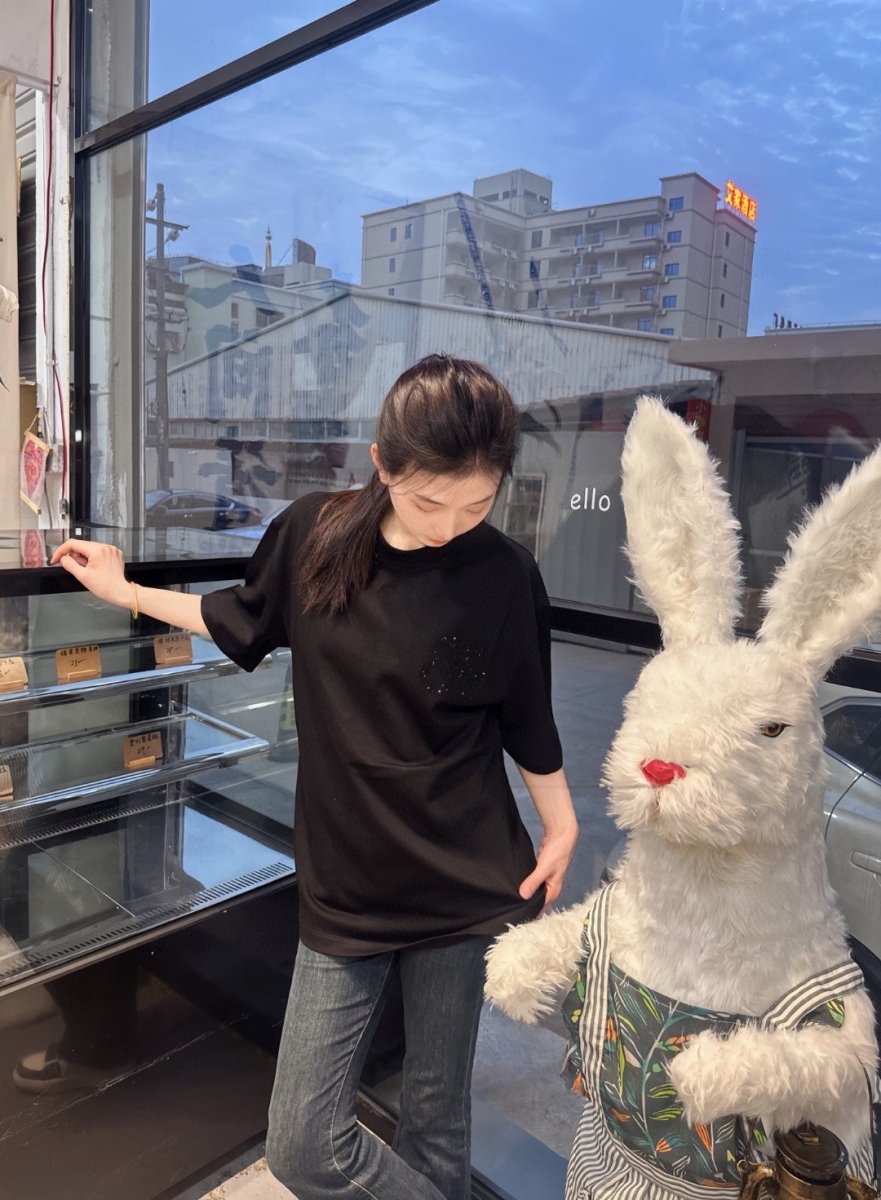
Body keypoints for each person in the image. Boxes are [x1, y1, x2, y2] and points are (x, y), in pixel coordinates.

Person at [51, 354, 578, 1200]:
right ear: (382, 464)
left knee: (437, 1121)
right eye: (427, 500)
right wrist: (125, 592)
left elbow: (527, 716)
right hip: (348, 886)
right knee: (303, 1142)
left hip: (468, 879)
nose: (450, 526)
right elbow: (238, 619)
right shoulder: (316, 535)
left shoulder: (506, 572)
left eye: (476, 504)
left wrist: (562, 825)